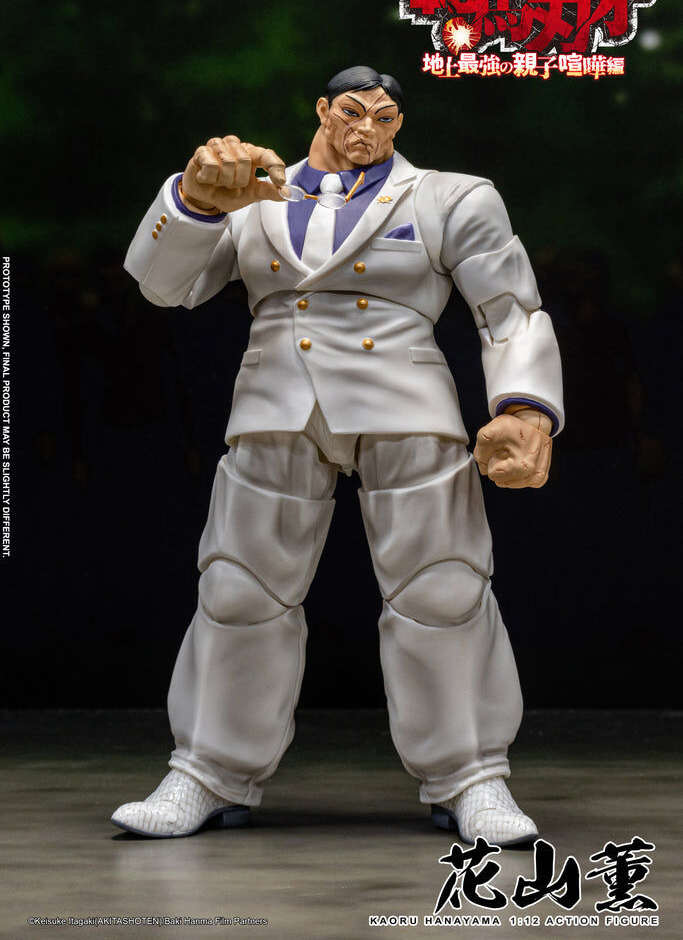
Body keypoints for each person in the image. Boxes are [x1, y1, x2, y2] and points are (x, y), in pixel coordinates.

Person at [113, 66, 563, 842]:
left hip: (404, 402)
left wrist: (524, 409)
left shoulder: (448, 197)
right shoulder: (253, 192)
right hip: (275, 402)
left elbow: (510, 310)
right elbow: (163, 287)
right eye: (353, 112)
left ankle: (470, 775)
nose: (367, 129)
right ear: (323, 110)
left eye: (384, 117)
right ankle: (207, 769)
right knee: (238, 588)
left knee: (443, 586)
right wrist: (192, 201)